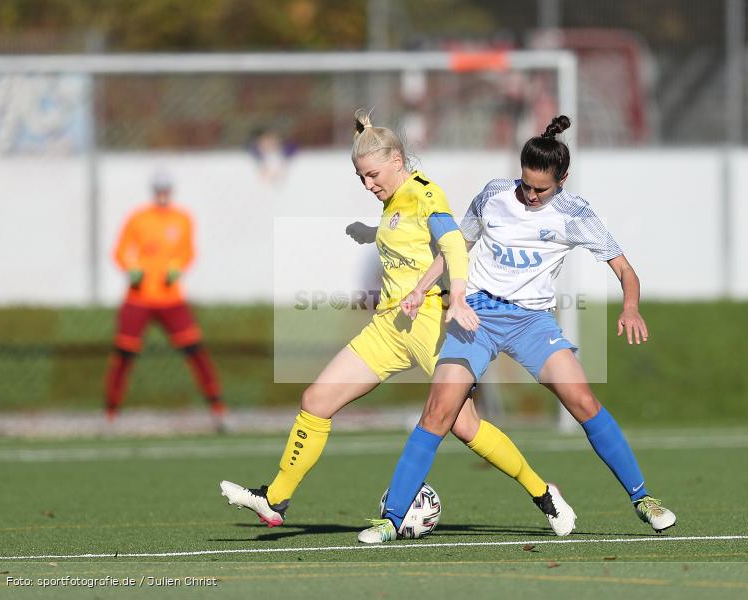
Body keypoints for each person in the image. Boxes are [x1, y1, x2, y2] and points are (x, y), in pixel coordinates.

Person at [219, 109, 576, 535]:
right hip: (389, 327)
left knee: (465, 426)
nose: (369, 185)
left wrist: (457, 295)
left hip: (430, 325)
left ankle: (543, 494)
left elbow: (452, 245)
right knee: (316, 401)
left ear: (396, 162)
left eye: (372, 175)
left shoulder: (426, 194)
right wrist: (372, 232)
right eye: (361, 179)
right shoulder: (393, 201)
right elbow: (407, 238)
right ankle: (275, 499)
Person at [359, 115, 677, 544]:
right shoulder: (493, 195)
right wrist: (421, 290)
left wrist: (632, 307)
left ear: (562, 179)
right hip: (478, 316)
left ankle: (644, 499)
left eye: (540, 189)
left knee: (582, 400)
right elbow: (457, 245)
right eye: (525, 185)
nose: (529, 195)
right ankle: (390, 519)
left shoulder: (575, 213)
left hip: (531, 322)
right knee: (439, 410)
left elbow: (624, 268)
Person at [105, 170, 225, 427]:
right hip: (139, 296)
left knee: (195, 350)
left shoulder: (183, 219)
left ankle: (218, 409)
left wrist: (177, 268)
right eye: (159, 189)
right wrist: (131, 268)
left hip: (171, 298)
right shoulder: (138, 218)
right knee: (124, 354)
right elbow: (121, 250)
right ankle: (111, 414)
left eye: (166, 190)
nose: (162, 194)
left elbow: (188, 252)